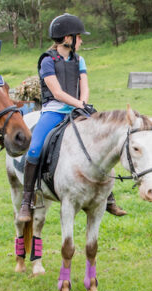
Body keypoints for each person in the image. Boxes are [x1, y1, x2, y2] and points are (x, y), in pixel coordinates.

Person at [16, 13, 126, 222]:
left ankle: (108, 196)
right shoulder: (47, 61)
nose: (82, 40)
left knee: (103, 140)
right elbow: (57, 92)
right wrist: (78, 104)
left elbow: (84, 85)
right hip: (54, 111)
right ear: (68, 38)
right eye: (79, 36)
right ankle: (27, 201)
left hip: (78, 109)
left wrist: (83, 104)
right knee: (35, 148)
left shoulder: (79, 59)